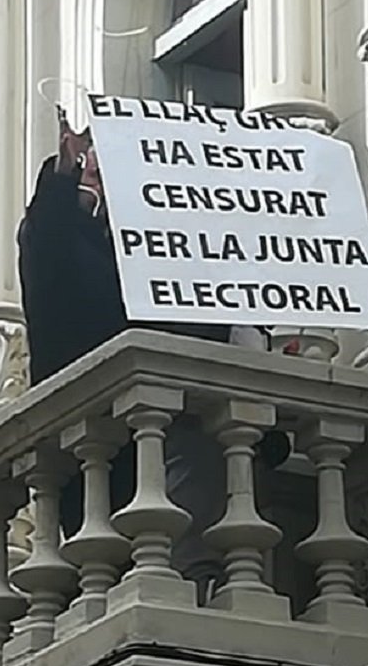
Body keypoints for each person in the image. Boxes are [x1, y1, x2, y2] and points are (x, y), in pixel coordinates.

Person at [17, 111, 291, 599]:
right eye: (94, 170)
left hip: (208, 472)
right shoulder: (72, 251)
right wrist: (63, 176)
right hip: (117, 469)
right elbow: (46, 244)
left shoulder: (182, 261)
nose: (100, 177)